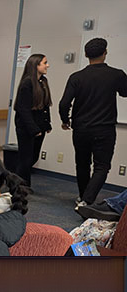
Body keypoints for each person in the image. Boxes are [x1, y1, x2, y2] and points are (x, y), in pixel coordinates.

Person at [59, 38, 127, 209]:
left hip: (80, 129)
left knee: (82, 164)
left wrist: (65, 120)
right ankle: (87, 201)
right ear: (105, 53)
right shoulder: (116, 74)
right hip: (104, 129)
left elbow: (64, 103)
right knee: (102, 166)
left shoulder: (76, 77)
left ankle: (83, 197)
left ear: (86, 55)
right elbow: (125, 93)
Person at [13, 54, 52, 186]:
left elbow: (45, 105)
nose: (48, 65)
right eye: (45, 63)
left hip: (39, 126)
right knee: (25, 158)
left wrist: (47, 124)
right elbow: (22, 109)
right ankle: (20, 186)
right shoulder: (27, 83)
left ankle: (21, 183)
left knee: (33, 157)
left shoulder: (43, 81)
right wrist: (33, 129)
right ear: (36, 65)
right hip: (27, 127)